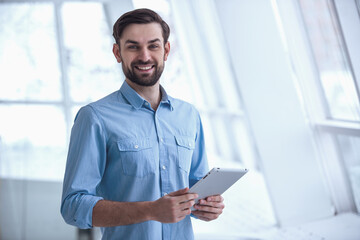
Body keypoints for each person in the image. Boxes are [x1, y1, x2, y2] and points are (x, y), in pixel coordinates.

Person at [61, 8, 224, 240]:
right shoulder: (94, 117)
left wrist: (207, 207)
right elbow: (73, 207)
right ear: (118, 53)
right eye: (133, 46)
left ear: (166, 50)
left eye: (153, 46)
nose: (145, 56)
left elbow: (194, 190)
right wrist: (150, 210)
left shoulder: (189, 116)